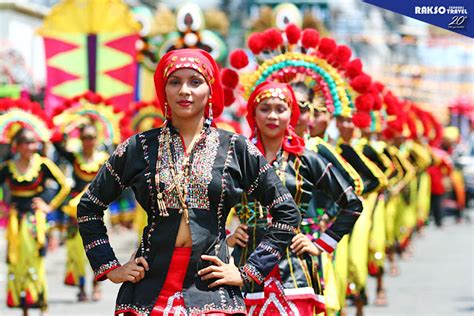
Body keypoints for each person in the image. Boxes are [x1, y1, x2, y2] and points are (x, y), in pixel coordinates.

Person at [77, 48, 301, 315]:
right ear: (164, 91)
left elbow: (286, 212)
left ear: (210, 91)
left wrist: (249, 271)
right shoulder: (138, 147)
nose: (185, 90)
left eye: (195, 82)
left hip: (212, 291)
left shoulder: (236, 149)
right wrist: (110, 267)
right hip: (148, 290)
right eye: (175, 82)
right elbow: (89, 206)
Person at [228, 81, 363, 315]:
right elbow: (207, 203)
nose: (272, 116)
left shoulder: (306, 159)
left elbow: (352, 203)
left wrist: (320, 243)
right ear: (253, 113)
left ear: (292, 114)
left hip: (294, 272)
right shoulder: (237, 159)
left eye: (280, 109)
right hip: (245, 267)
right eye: (265, 108)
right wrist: (227, 236)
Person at [1, 128, 70, 316]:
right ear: (17, 145)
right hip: (16, 222)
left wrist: (48, 206)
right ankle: (22, 304)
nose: (31, 146)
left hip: (34, 220)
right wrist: (4, 208)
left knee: (35, 259)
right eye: (26, 142)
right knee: (16, 260)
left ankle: (40, 301)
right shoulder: (8, 167)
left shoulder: (43, 165)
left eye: (33, 142)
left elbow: (65, 185)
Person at [52, 123, 109, 301]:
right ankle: (81, 286)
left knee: (97, 246)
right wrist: (67, 126)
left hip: (97, 208)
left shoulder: (104, 158)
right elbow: (56, 143)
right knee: (76, 250)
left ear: (97, 139)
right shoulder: (75, 157)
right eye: (84, 138)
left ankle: (96, 285)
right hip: (75, 210)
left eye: (91, 137)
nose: (88, 142)